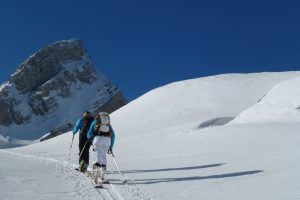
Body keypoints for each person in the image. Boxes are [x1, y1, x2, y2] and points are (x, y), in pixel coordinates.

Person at [87, 111, 115, 181]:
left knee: (98, 156)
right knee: (103, 156)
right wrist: (111, 146)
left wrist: (91, 138)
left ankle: (96, 175)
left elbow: (89, 134)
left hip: (98, 139)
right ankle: (102, 176)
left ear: (98, 116)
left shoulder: (95, 122)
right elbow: (113, 135)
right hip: (107, 140)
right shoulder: (108, 124)